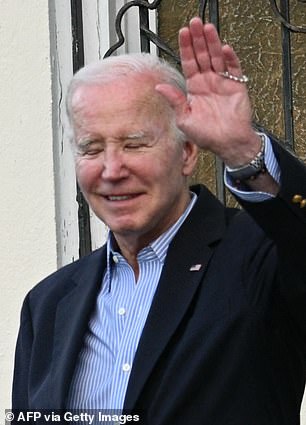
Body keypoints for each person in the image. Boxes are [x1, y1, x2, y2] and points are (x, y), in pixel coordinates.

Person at [12, 17, 306, 424]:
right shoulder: (48, 304)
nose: (112, 169)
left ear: (187, 153)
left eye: (135, 144)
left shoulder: (258, 255)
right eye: (92, 148)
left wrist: (243, 150)